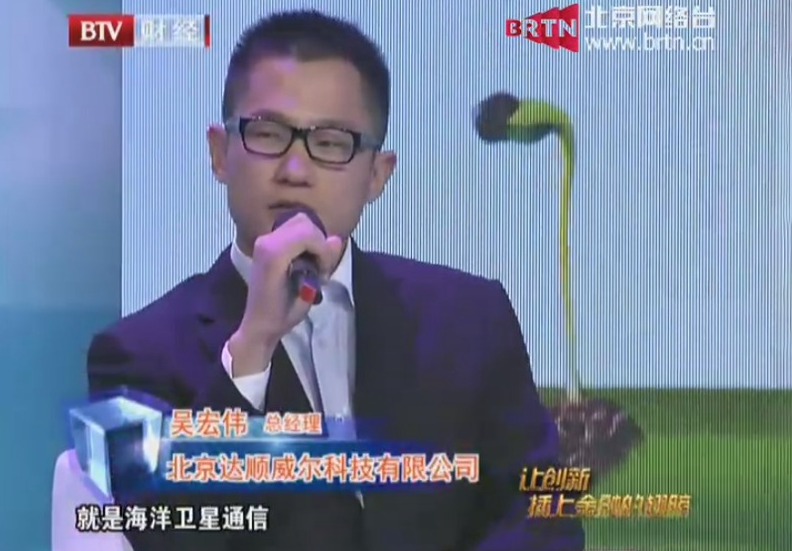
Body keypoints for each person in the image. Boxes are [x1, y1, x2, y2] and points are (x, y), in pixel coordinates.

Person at [86, 9, 585, 551]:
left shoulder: (469, 317)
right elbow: (173, 538)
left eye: (330, 143)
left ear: (377, 176)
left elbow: (541, 512)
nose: (295, 171)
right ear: (220, 154)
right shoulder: (137, 356)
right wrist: (252, 347)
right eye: (268, 134)